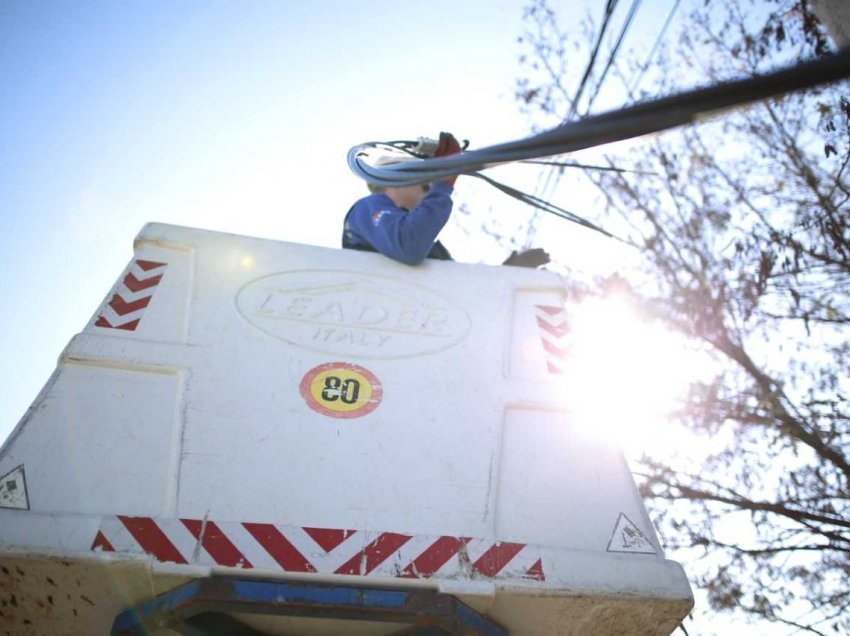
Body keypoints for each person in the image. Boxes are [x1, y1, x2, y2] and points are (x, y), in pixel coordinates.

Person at [343, 132, 550, 268]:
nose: (430, 187)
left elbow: (461, 294)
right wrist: (443, 183)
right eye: (424, 180)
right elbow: (409, 245)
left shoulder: (430, 247)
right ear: (397, 178)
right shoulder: (367, 208)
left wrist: (508, 274)